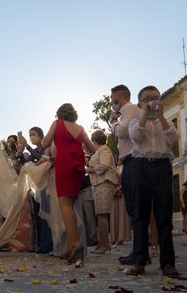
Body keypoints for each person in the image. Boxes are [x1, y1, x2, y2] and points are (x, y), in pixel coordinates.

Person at [125, 86, 179, 277]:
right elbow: (136, 137)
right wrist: (145, 116)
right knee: (140, 215)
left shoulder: (166, 122)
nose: (151, 101)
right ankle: (139, 261)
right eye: (146, 99)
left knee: (164, 215)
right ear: (140, 103)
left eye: (155, 98)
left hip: (163, 166)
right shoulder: (135, 121)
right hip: (140, 166)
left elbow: (173, 139)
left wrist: (162, 117)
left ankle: (167, 263)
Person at [42, 103, 95, 265]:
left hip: (64, 164)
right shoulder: (80, 128)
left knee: (65, 205)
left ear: (60, 114)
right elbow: (92, 149)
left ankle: (74, 244)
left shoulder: (57, 123)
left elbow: (44, 143)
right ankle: (72, 248)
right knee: (71, 205)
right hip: (78, 167)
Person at [108, 85, 141, 265]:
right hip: (129, 160)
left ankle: (139, 253)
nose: (111, 101)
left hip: (133, 159)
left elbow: (121, 132)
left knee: (135, 207)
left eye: (112, 97)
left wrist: (113, 122)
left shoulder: (130, 110)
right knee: (132, 207)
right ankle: (138, 251)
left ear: (118, 96)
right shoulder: (127, 112)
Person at [87, 130, 118, 254]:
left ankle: (105, 244)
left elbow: (104, 165)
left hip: (104, 183)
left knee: (102, 214)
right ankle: (102, 243)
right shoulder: (99, 151)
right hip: (99, 184)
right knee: (100, 215)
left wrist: (90, 170)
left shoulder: (104, 150)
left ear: (94, 140)